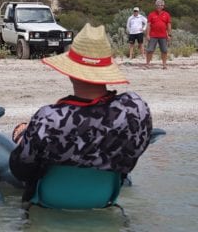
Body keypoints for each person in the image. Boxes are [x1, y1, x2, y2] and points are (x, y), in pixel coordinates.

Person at [9, 23, 153, 203]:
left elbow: (21, 170)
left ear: (71, 72)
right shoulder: (135, 109)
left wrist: (25, 136)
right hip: (103, 201)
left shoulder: (48, 119)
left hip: (49, 205)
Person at [146, 0, 171, 69]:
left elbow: (169, 25)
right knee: (150, 50)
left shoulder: (167, 14)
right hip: (153, 35)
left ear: (163, 6)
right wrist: (147, 34)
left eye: (161, 5)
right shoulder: (151, 14)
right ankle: (147, 64)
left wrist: (169, 35)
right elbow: (148, 25)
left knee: (164, 50)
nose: (159, 6)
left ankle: (164, 65)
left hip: (163, 36)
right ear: (155, 6)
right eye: (158, 5)